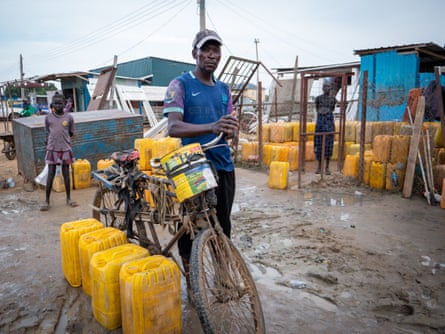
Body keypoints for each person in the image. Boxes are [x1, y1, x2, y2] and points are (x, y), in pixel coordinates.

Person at [163, 29, 238, 291]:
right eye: (206, 49)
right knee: (190, 225)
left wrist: (230, 128)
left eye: (216, 50)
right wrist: (212, 126)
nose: (211, 55)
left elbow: (228, 124)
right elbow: (173, 127)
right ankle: (191, 278)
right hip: (192, 165)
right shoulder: (180, 85)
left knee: (223, 223)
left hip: (223, 163)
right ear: (194, 53)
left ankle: (222, 274)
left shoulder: (224, 90)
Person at [40, 93, 78, 211]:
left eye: (60, 103)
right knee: (50, 175)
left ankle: (69, 198)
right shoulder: (48, 118)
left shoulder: (69, 117)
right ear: (52, 104)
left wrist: (64, 139)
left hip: (65, 149)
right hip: (52, 149)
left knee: (66, 174)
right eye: (55, 103)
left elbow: (71, 132)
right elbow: (48, 130)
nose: (57, 106)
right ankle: (46, 201)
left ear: (64, 104)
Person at [314, 81, 337, 175]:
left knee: (328, 145)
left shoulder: (333, 99)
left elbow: (332, 109)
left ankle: (327, 167)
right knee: (319, 144)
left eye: (328, 86)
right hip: (320, 122)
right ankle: (319, 167)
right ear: (322, 88)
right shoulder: (318, 98)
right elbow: (317, 108)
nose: (326, 88)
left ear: (330, 88)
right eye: (325, 86)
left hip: (329, 122)